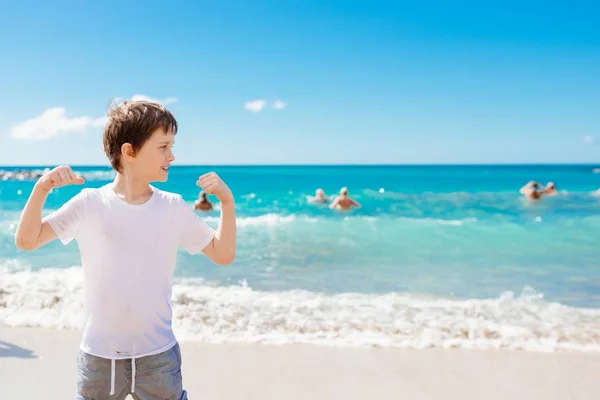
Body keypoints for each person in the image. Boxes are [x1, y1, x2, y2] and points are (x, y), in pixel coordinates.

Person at [14, 100, 236, 400]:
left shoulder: (172, 207)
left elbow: (222, 254)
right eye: (163, 146)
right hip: (99, 358)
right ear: (129, 152)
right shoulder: (89, 203)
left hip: (158, 356)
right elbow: (27, 240)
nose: (172, 155)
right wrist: (41, 189)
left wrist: (226, 202)